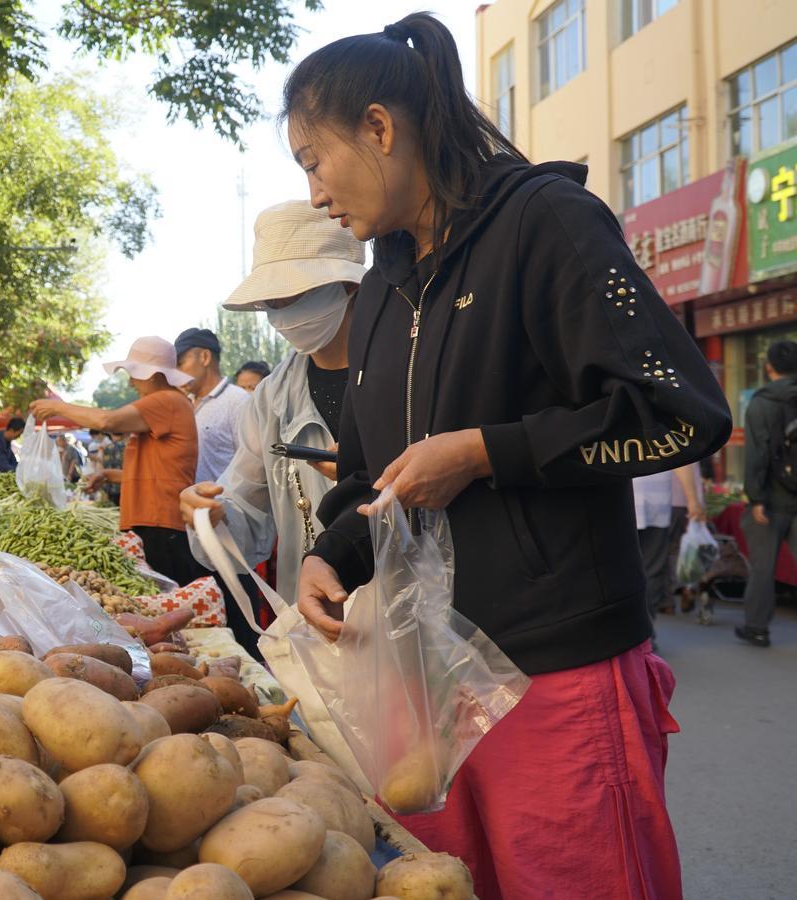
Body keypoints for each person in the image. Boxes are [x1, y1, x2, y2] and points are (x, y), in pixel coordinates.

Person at [283, 14, 730, 899]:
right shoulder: (379, 288)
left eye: (312, 158)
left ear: (381, 128)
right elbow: (371, 475)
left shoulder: (546, 222)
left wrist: (488, 451)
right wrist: (329, 556)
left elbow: (681, 412)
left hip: (553, 673)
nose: (314, 191)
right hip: (425, 684)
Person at [179, 200, 364, 609]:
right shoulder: (271, 398)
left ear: (347, 285)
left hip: (409, 615)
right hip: (314, 617)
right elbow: (245, 509)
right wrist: (213, 514)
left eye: (293, 295)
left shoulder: (405, 370)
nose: (281, 313)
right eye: (271, 302)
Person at [30, 337, 201, 587]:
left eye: (134, 373)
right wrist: (108, 474)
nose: (131, 382)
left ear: (153, 375)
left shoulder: (166, 400)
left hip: (161, 524)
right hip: (156, 522)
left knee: (168, 596)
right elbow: (160, 470)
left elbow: (106, 422)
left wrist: (59, 408)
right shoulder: (170, 403)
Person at [737, 340, 797, 648]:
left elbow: (757, 454)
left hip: (772, 501)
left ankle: (757, 628)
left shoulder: (762, 403)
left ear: (768, 366)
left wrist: (756, 497)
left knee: (763, 568)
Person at [632, 463, 706, 630]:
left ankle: (636, 633)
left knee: (628, 571)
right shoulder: (663, 435)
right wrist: (693, 500)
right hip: (655, 506)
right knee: (651, 571)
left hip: (628, 506)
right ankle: (644, 632)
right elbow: (680, 460)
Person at [175, 327, 250, 484]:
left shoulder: (238, 401)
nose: (177, 372)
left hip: (223, 506)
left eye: (180, 364)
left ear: (205, 357)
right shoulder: (184, 404)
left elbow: (252, 468)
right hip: (189, 506)